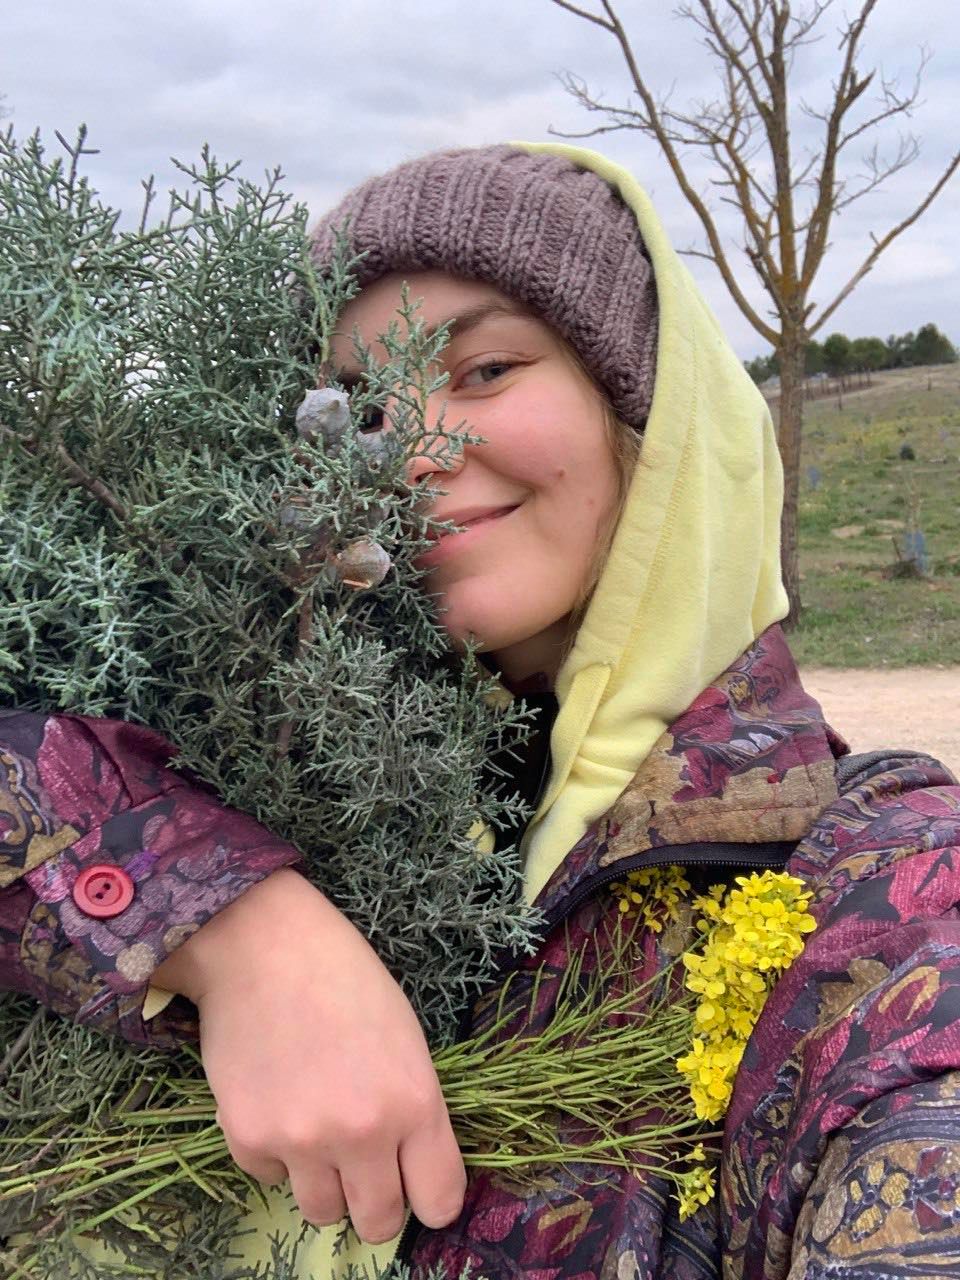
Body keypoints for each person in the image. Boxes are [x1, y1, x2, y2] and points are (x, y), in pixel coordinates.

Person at [2, 142, 959, 1280]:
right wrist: (232, 928)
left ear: (650, 413)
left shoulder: (880, 882)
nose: (408, 455)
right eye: (358, 411)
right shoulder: (240, 749)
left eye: (487, 368)